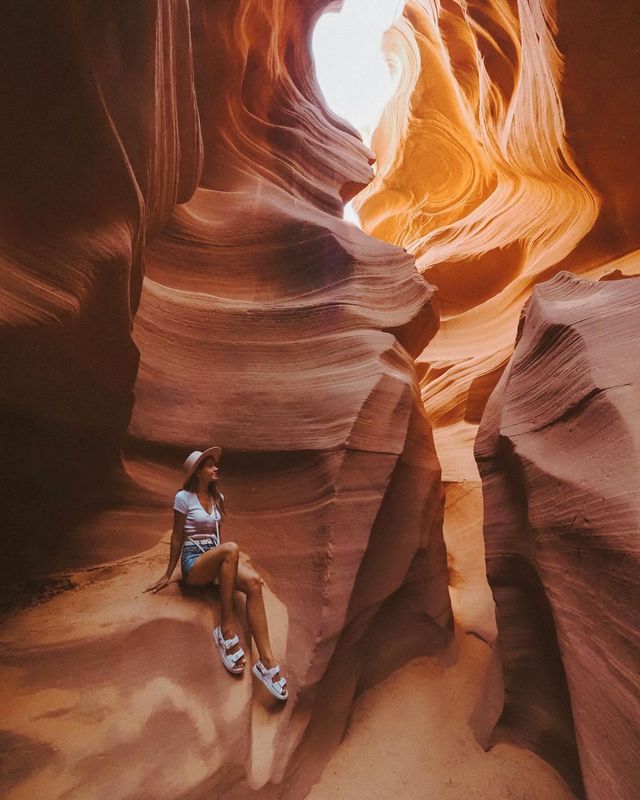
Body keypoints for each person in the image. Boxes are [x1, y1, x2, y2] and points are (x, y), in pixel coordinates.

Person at [145, 446, 288, 700]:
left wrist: (228, 573)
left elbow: (217, 537)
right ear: (197, 472)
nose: (215, 468)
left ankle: (266, 663)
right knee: (230, 549)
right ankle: (226, 630)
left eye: (214, 465)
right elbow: (178, 536)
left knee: (254, 583)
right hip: (194, 562)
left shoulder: (218, 498)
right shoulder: (183, 498)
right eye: (209, 465)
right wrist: (169, 574)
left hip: (217, 558)